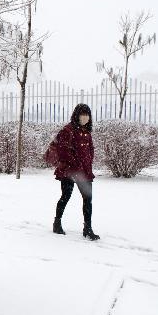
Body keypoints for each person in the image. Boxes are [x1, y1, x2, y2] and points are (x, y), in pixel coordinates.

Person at [53, 103, 100, 241]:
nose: (85, 117)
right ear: (76, 115)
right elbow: (63, 150)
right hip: (69, 171)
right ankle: (57, 222)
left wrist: (88, 161)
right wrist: (75, 164)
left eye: (87, 114)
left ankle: (88, 228)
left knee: (88, 199)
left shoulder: (86, 131)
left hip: (84, 172)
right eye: (82, 114)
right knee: (66, 196)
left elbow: (90, 150)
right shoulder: (68, 130)